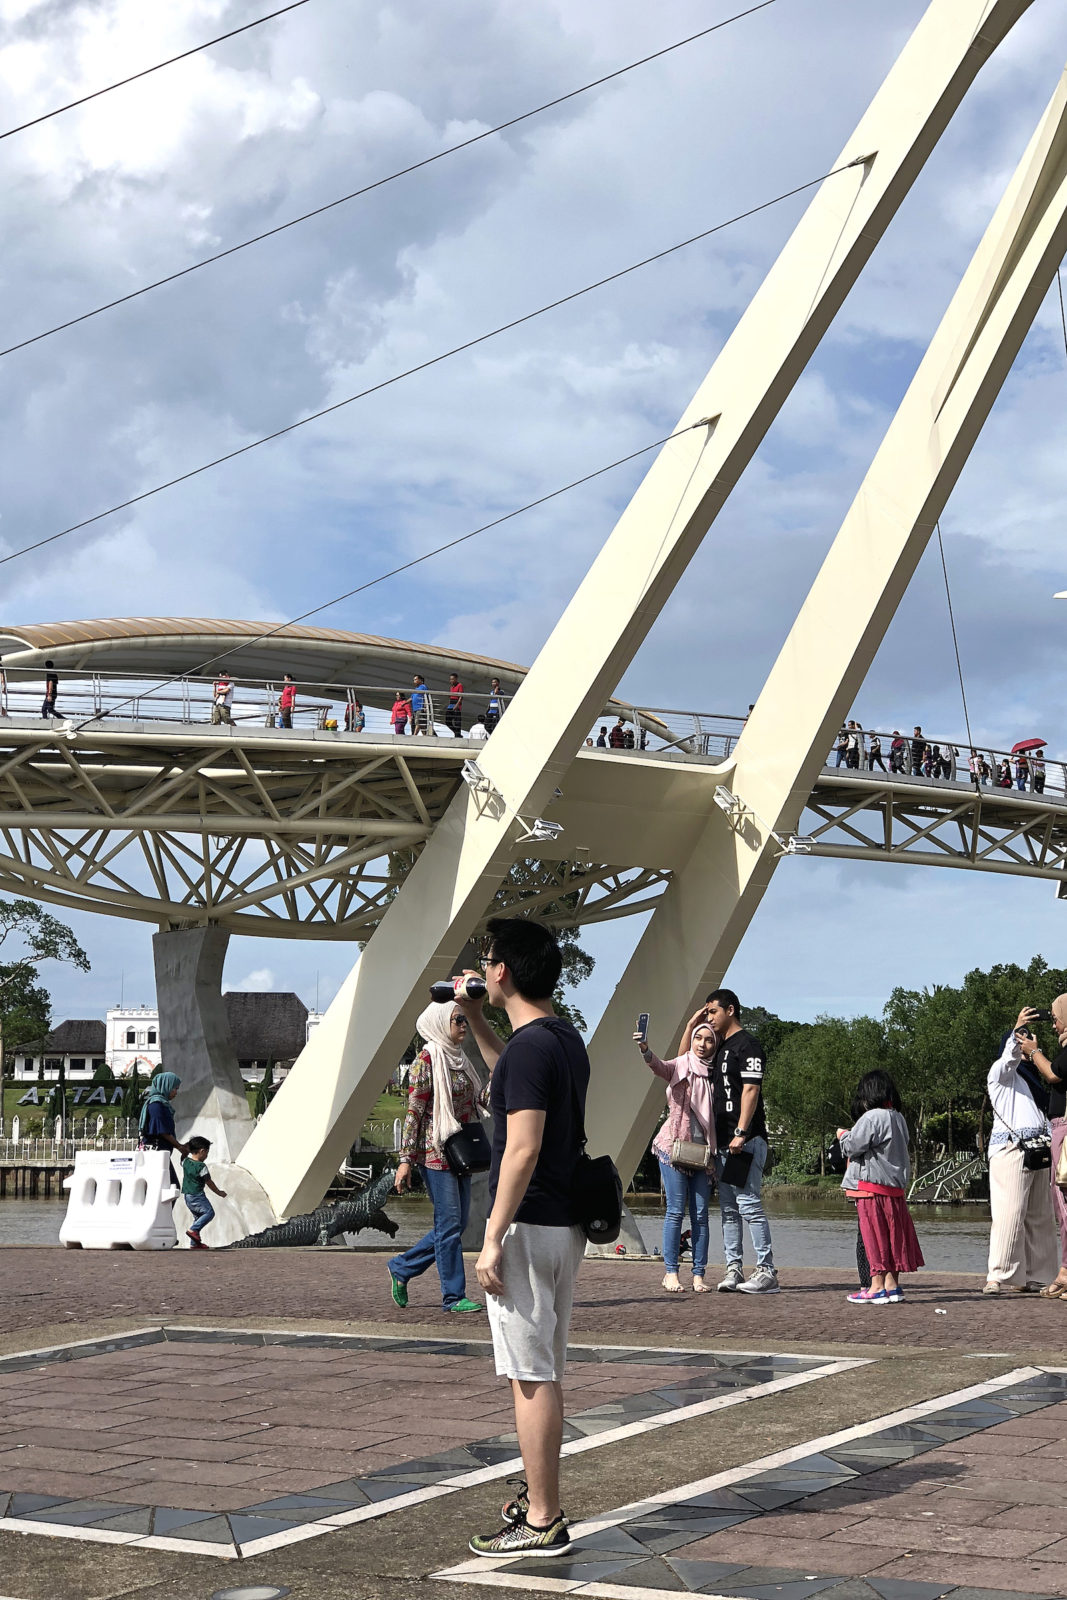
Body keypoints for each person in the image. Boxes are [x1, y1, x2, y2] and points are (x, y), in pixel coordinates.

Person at [466, 917, 588, 1559]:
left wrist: (490, 1237)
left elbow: (521, 1146)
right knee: (543, 1369)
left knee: (530, 1375)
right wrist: (479, 1023)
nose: (483, 968)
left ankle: (543, 1518)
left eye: (487, 960)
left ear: (503, 970)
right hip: (562, 1224)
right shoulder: (559, 1040)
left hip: (528, 1223)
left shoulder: (532, 1049)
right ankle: (542, 1503)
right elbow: (510, 1087)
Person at [389, 999, 487, 1314]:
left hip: (462, 1153)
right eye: (457, 1020)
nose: (463, 1025)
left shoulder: (460, 1059)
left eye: (464, 1020)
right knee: (449, 1223)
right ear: (439, 1022)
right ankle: (453, 1296)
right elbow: (414, 1113)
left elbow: (477, 1099)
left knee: (458, 1224)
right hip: (435, 1154)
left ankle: (403, 1267)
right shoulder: (426, 1061)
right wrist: (405, 1160)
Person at [684, 989, 777, 1293]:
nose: (708, 1016)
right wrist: (692, 1024)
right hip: (722, 1144)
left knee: (748, 1204)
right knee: (728, 1209)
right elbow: (685, 1061)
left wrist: (741, 1131)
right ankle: (733, 1269)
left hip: (743, 1141)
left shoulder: (747, 1045)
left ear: (731, 1010)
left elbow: (751, 1089)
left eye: (712, 1011)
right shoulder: (720, 1046)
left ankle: (766, 1271)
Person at [635, 1016, 717, 1293]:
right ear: (691, 1040)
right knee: (674, 1210)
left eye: (708, 1040)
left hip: (702, 1154)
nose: (702, 1044)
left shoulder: (715, 1074)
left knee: (701, 1215)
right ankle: (671, 1272)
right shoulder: (681, 1065)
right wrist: (646, 1049)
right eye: (698, 1038)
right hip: (673, 1149)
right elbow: (659, 1066)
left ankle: (699, 1275)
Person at [983, 1010, 1058, 1294]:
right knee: (1009, 1213)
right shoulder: (1000, 1076)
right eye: (1020, 1042)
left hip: (1039, 1150)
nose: (1025, 1048)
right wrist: (1018, 1031)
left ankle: (1040, 1275)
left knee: (1040, 1215)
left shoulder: (1034, 1084)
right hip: (1011, 1150)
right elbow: (1009, 1059)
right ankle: (999, 1275)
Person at [837, 1070, 923, 1303]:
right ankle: (892, 1286)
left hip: (870, 1188)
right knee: (893, 1237)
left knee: (873, 1238)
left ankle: (875, 1287)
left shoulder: (871, 1117)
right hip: (894, 1190)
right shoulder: (898, 1117)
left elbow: (854, 1146)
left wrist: (843, 1135)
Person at [1010, 1000, 1067, 1298]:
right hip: (1060, 1129)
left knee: (1063, 1200)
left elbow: (1055, 1074)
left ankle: (1065, 1273)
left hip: (1065, 1132)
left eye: (1056, 1018)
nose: (1054, 1023)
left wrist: (1033, 1051)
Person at [138, 1071, 187, 1178]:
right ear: (166, 1086)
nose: (176, 1092)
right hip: (156, 1153)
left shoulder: (162, 1104)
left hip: (161, 1153)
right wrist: (179, 1146)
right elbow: (162, 1131)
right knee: (170, 1186)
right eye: (175, 1088)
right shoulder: (156, 1105)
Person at [182, 1136, 227, 1250]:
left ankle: (194, 1243)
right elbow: (209, 1182)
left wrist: (186, 1148)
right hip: (197, 1195)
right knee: (209, 1213)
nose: (207, 1156)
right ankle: (193, 1230)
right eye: (207, 1153)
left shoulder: (186, 1162)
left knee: (198, 1217)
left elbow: (182, 1158)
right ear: (202, 1151)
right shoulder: (201, 1167)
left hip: (187, 1197)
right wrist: (219, 1192)